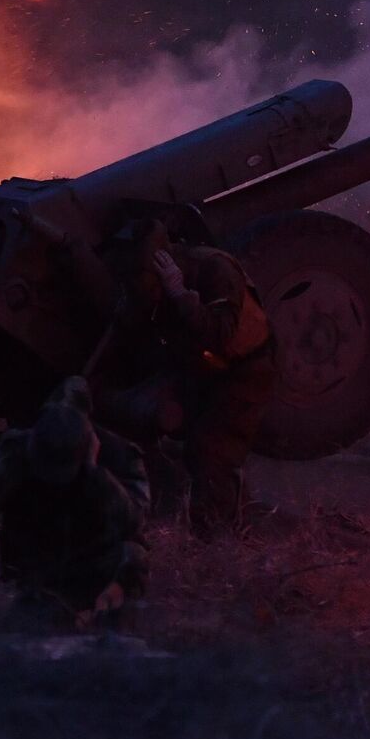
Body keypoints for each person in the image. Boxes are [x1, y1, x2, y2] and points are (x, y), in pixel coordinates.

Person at [109, 221, 276, 539]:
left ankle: (217, 539)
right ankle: (183, 512)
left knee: (212, 449)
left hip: (245, 370)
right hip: (201, 366)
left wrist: (181, 295)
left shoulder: (215, 269)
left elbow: (220, 334)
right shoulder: (151, 279)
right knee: (158, 429)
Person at [0, 377, 151, 627]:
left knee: (132, 559)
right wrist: (13, 464)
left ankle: (106, 612)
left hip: (95, 572)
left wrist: (97, 476)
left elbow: (134, 522)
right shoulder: (19, 449)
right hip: (36, 574)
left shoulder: (117, 455)